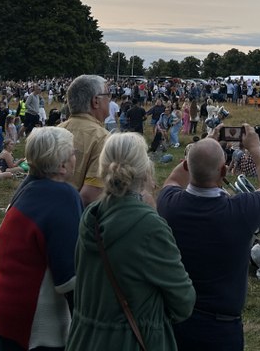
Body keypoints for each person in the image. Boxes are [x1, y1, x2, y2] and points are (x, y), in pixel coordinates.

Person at [67, 133, 194, 350]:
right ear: (146, 171)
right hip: (129, 341)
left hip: (84, 339)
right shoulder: (149, 226)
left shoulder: (91, 215)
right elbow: (184, 301)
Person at [158, 125, 260, 351]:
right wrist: (255, 148)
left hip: (176, 320)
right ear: (224, 171)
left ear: (186, 165)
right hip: (221, 327)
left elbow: (173, 180)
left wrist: (204, 143)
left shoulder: (170, 204)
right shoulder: (241, 211)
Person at [0, 126, 82, 351]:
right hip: (32, 316)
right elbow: (70, 275)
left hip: (2, 302)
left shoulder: (28, 186)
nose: (75, 157)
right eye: (73, 153)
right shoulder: (62, 196)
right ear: (62, 165)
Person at [59, 75, 111, 205]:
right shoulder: (102, 138)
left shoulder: (56, 130)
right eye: (108, 95)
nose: (110, 99)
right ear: (96, 101)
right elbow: (90, 196)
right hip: (74, 214)